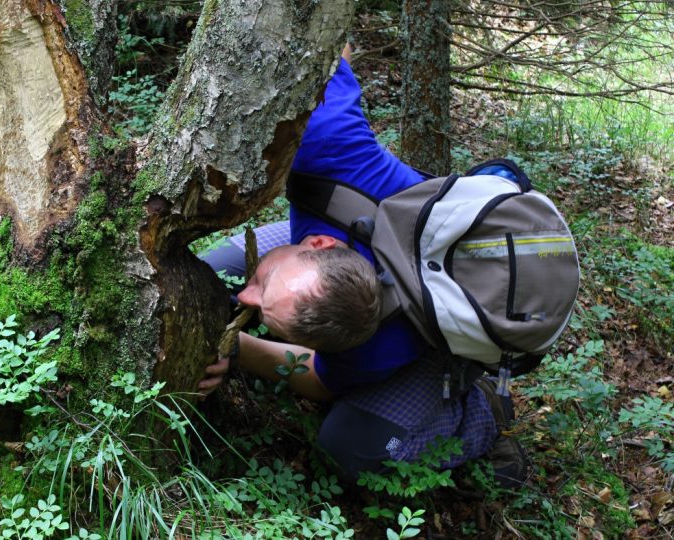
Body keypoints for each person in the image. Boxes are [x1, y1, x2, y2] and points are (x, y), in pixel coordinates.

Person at [198, 45, 527, 485]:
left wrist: (238, 349)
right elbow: (329, 46)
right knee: (204, 274)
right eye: (263, 282)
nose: (244, 295)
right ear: (318, 243)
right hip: (369, 231)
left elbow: (319, 380)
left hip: (436, 334)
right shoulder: (335, 153)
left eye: (258, 295)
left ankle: (480, 411)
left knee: (349, 449)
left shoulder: (379, 346)